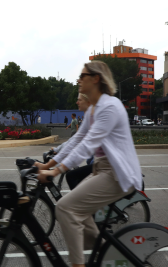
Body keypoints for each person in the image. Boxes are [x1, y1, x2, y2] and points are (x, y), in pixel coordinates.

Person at [35, 61, 142, 267]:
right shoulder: (93, 109)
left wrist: (57, 170)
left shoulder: (110, 107)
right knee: (79, 213)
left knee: (65, 208)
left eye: (83, 76)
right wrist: (48, 166)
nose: (79, 80)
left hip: (117, 174)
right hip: (101, 170)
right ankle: (105, 252)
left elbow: (87, 145)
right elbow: (76, 140)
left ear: (96, 79)